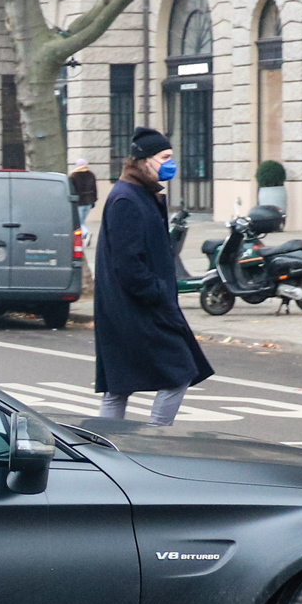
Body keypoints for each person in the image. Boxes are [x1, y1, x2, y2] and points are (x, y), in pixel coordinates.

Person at [94, 127, 214, 424]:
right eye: (165, 157)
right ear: (144, 160)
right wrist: (157, 293)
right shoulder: (126, 200)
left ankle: (110, 444)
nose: (170, 163)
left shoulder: (139, 194)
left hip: (129, 307)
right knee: (178, 371)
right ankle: (155, 438)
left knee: (119, 385)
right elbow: (127, 264)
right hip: (136, 309)